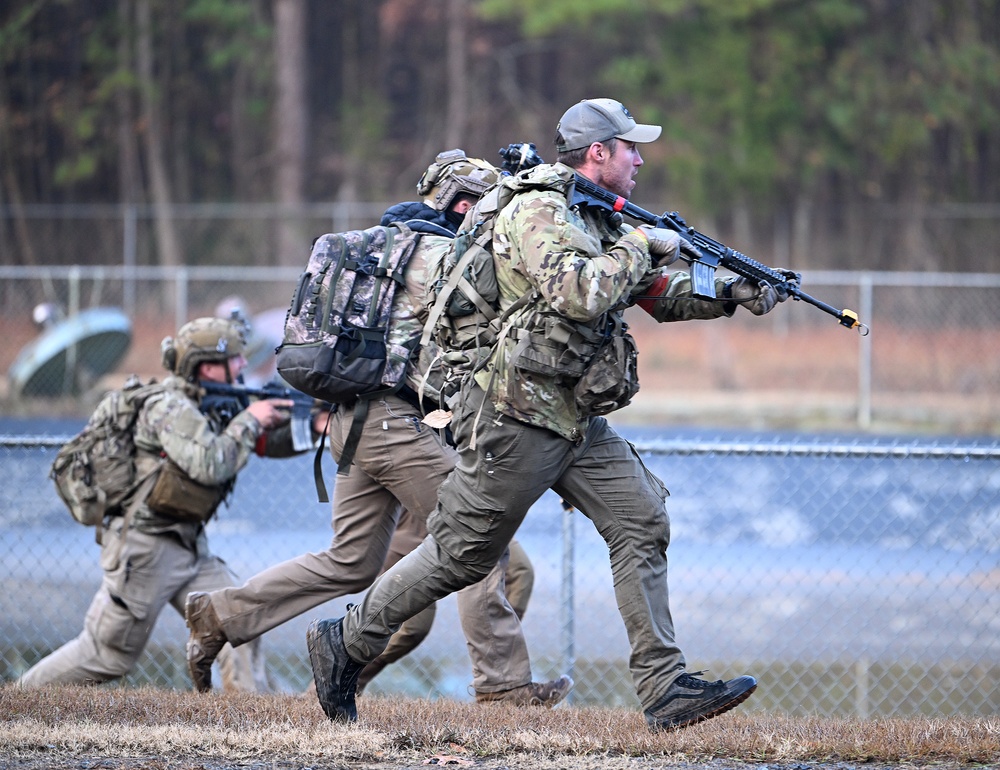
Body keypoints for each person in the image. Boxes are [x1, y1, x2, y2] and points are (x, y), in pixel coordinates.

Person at [306, 98, 799, 730]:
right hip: (515, 415)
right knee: (460, 554)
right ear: (599, 152)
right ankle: (343, 642)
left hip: (572, 412)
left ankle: (665, 685)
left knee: (641, 517)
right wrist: (644, 245)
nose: (640, 158)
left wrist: (734, 291)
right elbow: (580, 290)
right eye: (631, 148)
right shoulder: (540, 208)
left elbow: (649, 291)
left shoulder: (597, 217)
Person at [185, 150, 572, 707]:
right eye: (487, 213)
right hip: (393, 425)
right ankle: (504, 685)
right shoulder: (440, 258)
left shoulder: (383, 254)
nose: (495, 227)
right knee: (476, 530)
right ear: (463, 206)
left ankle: (217, 614)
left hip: (351, 425)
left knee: (351, 561)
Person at [19, 317, 314, 691]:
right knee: (106, 654)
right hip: (145, 550)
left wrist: (311, 425)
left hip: (187, 544)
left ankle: (248, 721)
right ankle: (18, 701)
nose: (243, 365)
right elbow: (210, 463)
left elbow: (259, 443)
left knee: (239, 622)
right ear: (208, 365)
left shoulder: (209, 402)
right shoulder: (170, 408)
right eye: (235, 359)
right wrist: (251, 421)